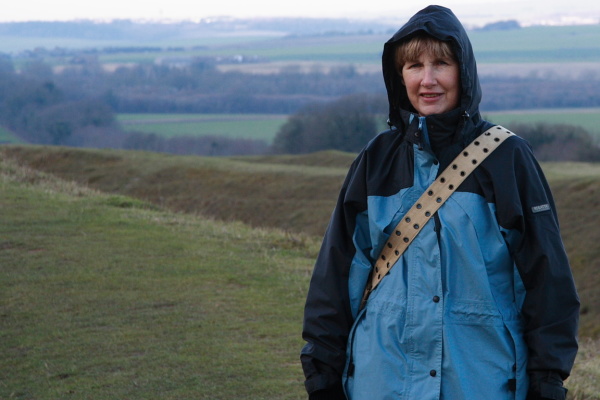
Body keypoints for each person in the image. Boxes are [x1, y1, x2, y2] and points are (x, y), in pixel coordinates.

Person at [300, 5, 579, 400]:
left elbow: (548, 280)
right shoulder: (376, 159)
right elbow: (336, 274)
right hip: (381, 381)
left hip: (480, 380)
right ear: (399, 77)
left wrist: (548, 379)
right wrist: (322, 375)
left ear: (463, 72)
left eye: (441, 63)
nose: (427, 80)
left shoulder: (509, 158)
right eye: (414, 66)